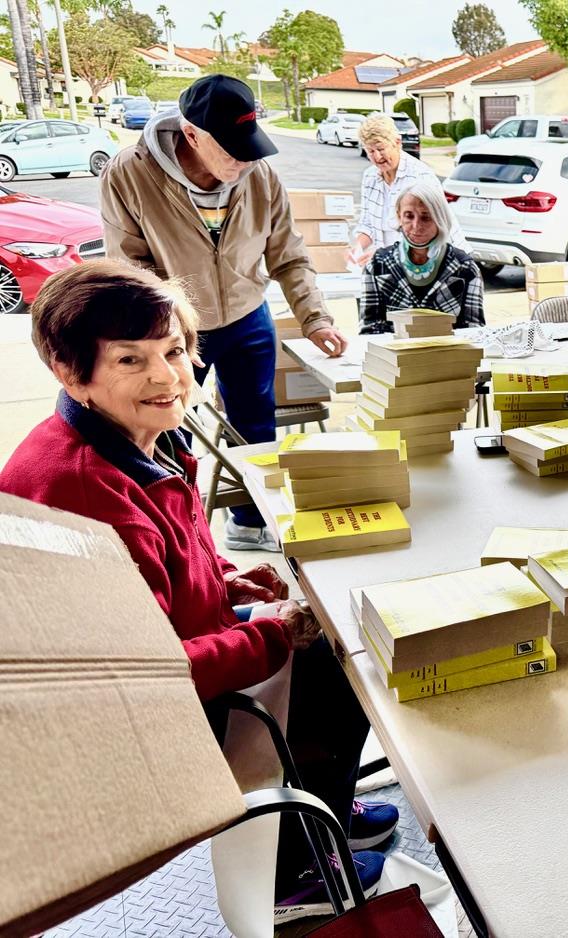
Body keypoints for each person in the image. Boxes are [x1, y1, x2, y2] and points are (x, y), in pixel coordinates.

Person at [0, 261, 399, 922]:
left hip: (157, 658)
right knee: (335, 661)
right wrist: (269, 634)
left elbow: (161, 572)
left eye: (174, 351)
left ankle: (320, 806)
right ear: (70, 371)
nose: (165, 376)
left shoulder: (129, 437)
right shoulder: (86, 486)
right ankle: (290, 873)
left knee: (325, 639)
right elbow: (151, 675)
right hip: (132, 723)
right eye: (130, 359)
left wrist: (223, 579)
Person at [98, 74, 347, 552]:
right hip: (172, 328)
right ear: (191, 135)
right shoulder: (129, 174)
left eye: (250, 146)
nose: (244, 159)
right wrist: (171, 336)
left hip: (248, 316)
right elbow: (130, 268)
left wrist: (315, 317)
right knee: (168, 430)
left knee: (256, 424)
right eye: (232, 149)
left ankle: (250, 523)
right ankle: (183, 538)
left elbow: (289, 254)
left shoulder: (260, 175)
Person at [358, 182, 486, 333]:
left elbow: (474, 331)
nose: (416, 225)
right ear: (399, 216)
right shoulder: (378, 265)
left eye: (426, 217)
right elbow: (369, 330)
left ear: (440, 219)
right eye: (409, 216)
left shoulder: (465, 268)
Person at [348, 113, 468, 265]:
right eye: (370, 151)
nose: (377, 157)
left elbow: (429, 231)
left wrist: (384, 255)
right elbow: (367, 224)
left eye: (381, 149)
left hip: (439, 262)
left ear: (397, 143)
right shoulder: (369, 177)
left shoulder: (420, 176)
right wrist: (357, 248)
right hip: (393, 264)